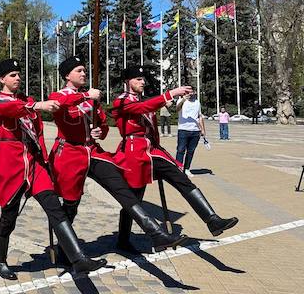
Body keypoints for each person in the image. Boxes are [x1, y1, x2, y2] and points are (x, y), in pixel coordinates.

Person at [49, 57, 185, 255]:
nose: (84, 73)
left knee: (122, 189)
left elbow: (102, 124)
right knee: (71, 204)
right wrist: (87, 95)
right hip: (69, 154)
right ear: (67, 76)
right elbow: (60, 103)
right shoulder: (60, 94)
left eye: (84, 70)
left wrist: (99, 131)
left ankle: (155, 232)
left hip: (92, 151)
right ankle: (66, 250)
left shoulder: (91, 98)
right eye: (79, 70)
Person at [0, 58, 106, 280]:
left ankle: (77, 258)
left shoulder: (27, 100)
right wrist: (37, 105)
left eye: (18, 74)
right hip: (11, 165)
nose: (17, 78)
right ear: (2, 79)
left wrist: (44, 161)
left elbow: (38, 133)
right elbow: (10, 109)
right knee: (9, 217)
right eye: (12, 75)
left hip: (35, 165)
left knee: (55, 208)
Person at [112, 65, 238, 250]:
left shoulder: (143, 100)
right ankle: (123, 240)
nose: (143, 82)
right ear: (127, 81)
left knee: (182, 180)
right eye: (138, 79)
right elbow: (141, 108)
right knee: (134, 200)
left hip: (152, 151)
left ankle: (212, 219)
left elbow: (151, 123)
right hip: (134, 153)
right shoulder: (121, 101)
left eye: (143, 78)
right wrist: (171, 94)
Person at [176, 92, 205, 177]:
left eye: (193, 91)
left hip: (195, 130)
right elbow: (177, 109)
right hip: (183, 129)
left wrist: (202, 129)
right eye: (189, 92)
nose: (192, 93)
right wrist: (183, 100)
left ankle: (187, 169)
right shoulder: (181, 101)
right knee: (180, 150)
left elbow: (199, 116)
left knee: (191, 151)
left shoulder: (197, 102)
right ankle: (178, 169)